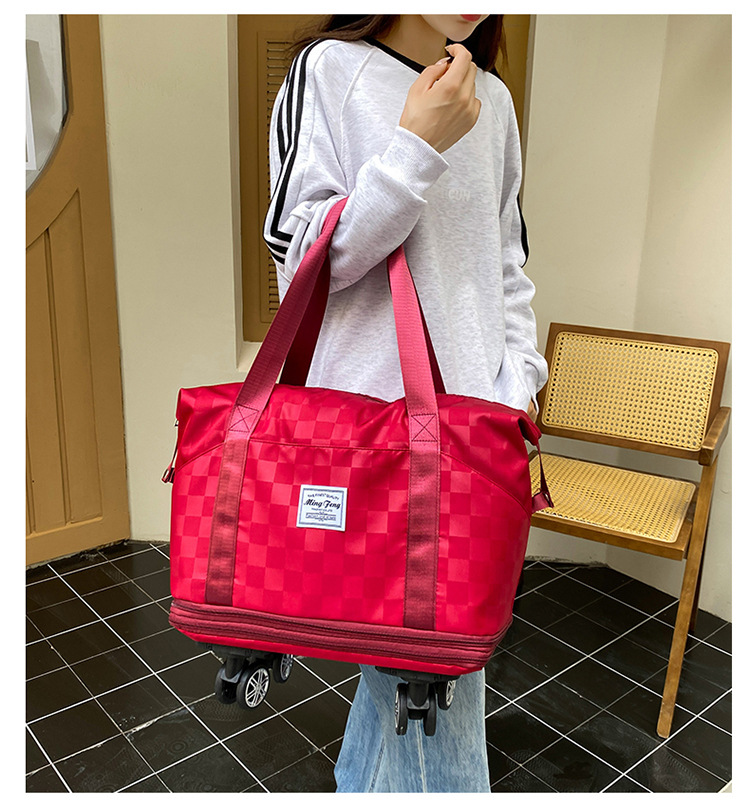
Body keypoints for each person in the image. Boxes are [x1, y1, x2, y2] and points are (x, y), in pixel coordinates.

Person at [263, 14, 548, 793]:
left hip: (475, 440)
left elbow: (505, 262)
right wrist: (416, 147)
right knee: (435, 668)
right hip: (370, 441)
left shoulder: (493, 100)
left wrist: (516, 385)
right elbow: (306, 266)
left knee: (429, 666)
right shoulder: (330, 70)